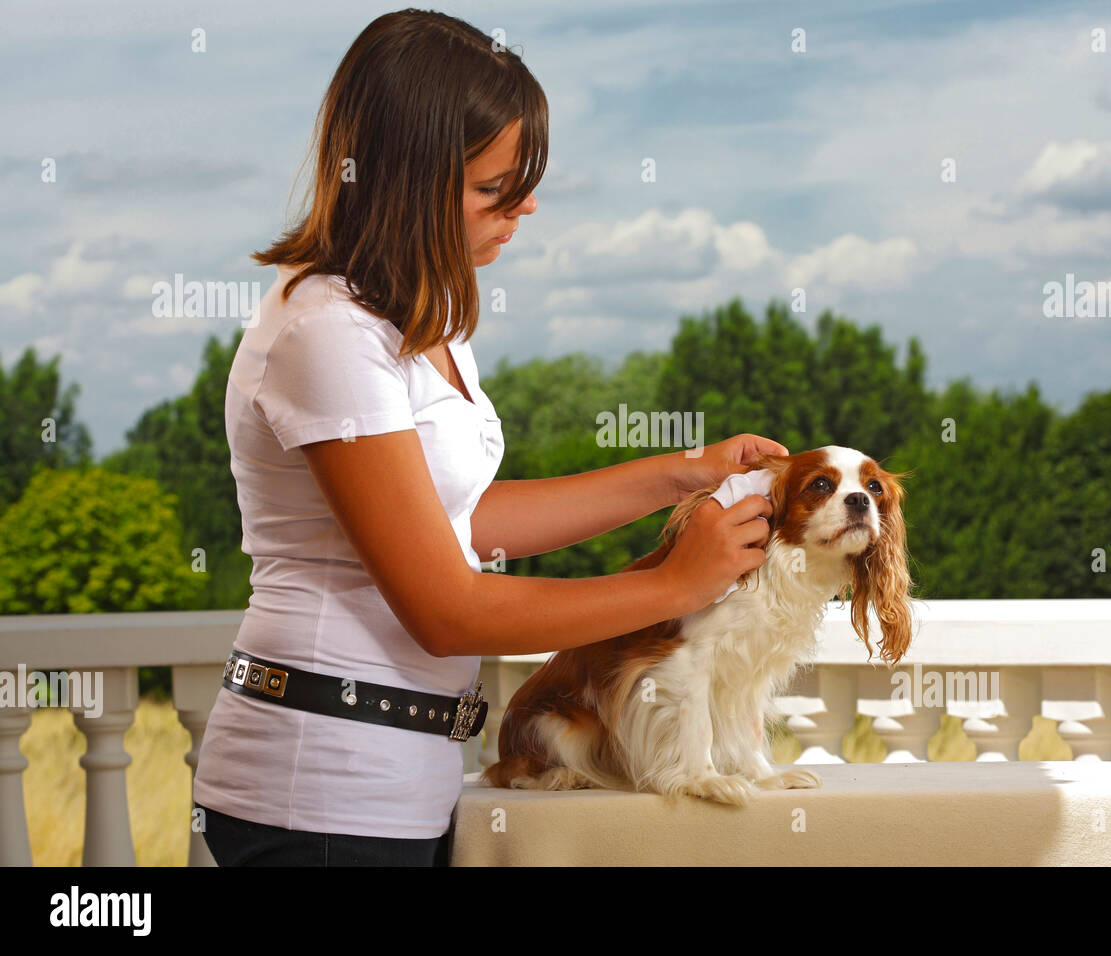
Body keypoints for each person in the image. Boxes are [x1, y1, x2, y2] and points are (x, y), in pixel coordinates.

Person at [191, 9, 785, 867]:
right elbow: (445, 609)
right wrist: (672, 583)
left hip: (405, 786)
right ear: (406, 179)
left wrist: (681, 473)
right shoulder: (327, 332)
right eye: (495, 186)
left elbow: (459, 520)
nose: (527, 206)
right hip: (316, 797)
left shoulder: (425, 319)